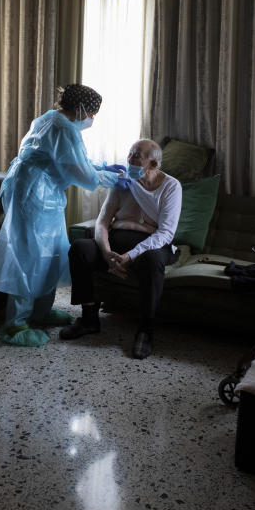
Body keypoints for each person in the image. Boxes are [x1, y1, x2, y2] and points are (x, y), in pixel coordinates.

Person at [0, 84, 121, 348]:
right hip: (35, 196)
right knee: (30, 257)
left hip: (42, 194)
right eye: (92, 113)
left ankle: (41, 312)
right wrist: (114, 177)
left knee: (53, 252)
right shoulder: (63, 128)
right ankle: (16, 324)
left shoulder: (50, 119)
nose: (92, 119)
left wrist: (102, 166)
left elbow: (73, 160)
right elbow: (83, 176)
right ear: (81, 109)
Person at [60, 139, 182, 359]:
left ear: (153, 164)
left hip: (152, 245)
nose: (130, 159)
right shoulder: (123, 181)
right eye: (130, 153)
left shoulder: (171, 186)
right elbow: (103, 222)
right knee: (80, 248)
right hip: (117, 243)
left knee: (153, 260)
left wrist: (130, 255)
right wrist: (107, 253)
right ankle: (89, 319)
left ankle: (145, 331)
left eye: (137, 156)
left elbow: (164, 233)